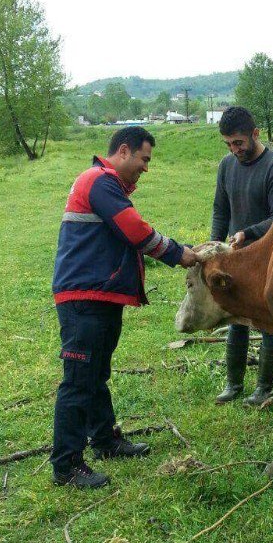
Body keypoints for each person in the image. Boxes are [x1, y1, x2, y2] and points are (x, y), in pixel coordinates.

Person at [51, 126, 197, 489]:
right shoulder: (99, 180)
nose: (145, 168)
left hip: (99, 297)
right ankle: (66, 464)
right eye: (144, 159)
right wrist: (181, 255)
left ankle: (104, 441)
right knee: (78, 380)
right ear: (125, 151)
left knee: (95, 373)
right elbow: (134, 230)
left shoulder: (103, 184)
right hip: (84, 299)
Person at [210, 106, 273, 406]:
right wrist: (214, 244)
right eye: (229, 144)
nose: (234, 150)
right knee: (236, 321)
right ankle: (233, 384)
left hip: (268, 259)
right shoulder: (226, 166)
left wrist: (247, 232)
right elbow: (221, 210)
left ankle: (264, 388)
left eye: (239, 143)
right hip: (236, 258)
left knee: (269, 323)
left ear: (255, 134)